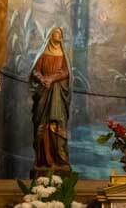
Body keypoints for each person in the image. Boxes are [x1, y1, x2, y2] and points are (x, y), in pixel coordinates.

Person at [30, 27, 72, 175]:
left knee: (57, 123)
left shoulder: (64, 55)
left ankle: (60, 160)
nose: (59, 36)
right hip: (44, 93)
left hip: (57, 95)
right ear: (50, 36)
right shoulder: (43, 54)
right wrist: (42, 79)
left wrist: (51, 79)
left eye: (61, 34)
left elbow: (66, 73)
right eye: (56, 33)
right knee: (42, 124)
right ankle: (43, 160)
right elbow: (35, 71)